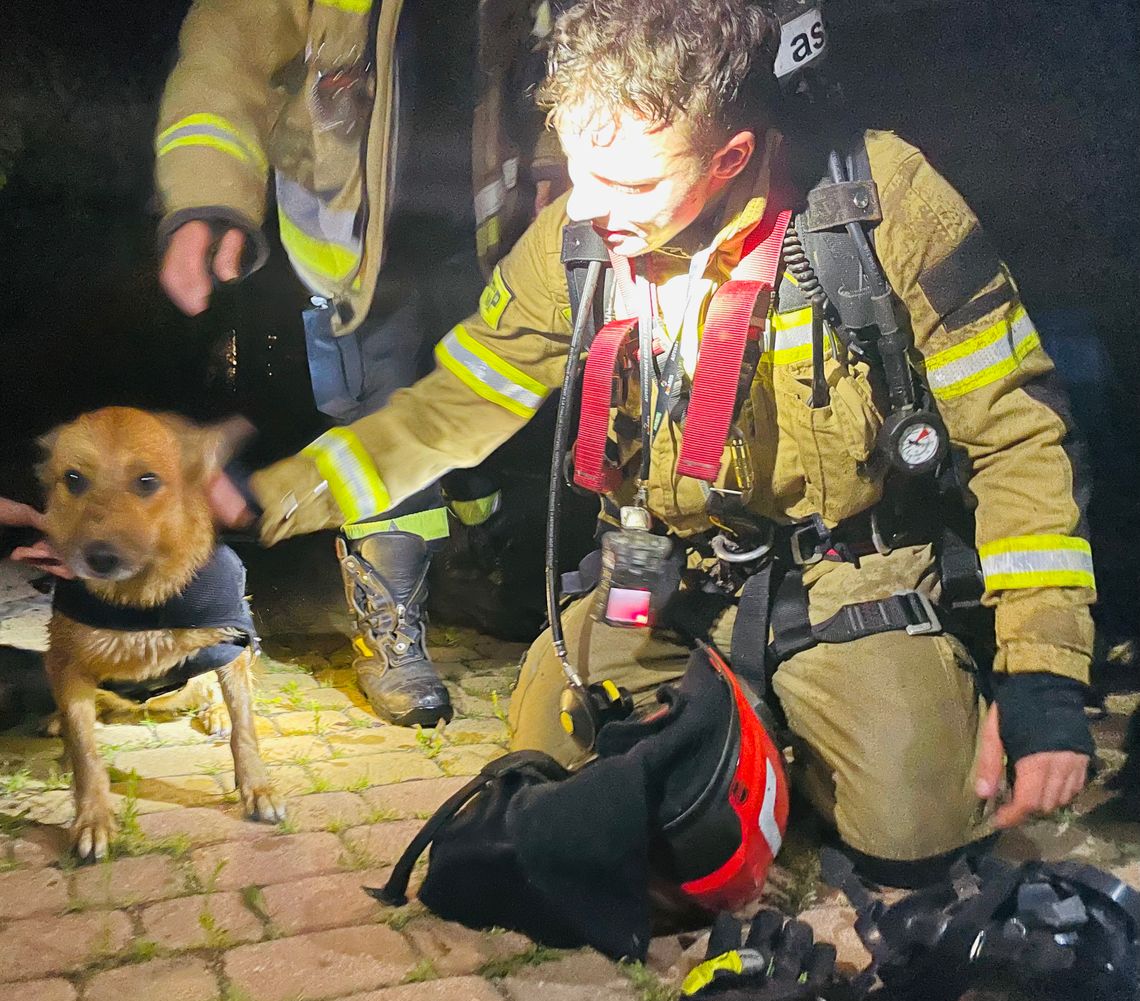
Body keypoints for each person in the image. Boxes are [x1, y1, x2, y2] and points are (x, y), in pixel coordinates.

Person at [220, 0, 1095, 882]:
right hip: (664, 578)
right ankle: (739, 739)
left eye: (633, 185)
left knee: (918, 837)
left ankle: (813, 733)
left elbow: (1019, 435)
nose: (592, 211)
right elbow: (455, 406)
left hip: (849, 578)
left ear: (731, 157)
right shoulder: (584, 229)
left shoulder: (881, 204)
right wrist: (274, 494)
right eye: (578, 171)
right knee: (549, 794)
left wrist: (1042, 678)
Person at [154, 0, 567, 726]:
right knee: (383, 411)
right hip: (359, 242)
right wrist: (207, 191)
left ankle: (482, 572)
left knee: (482, 419)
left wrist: (557, 164)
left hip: (489, 219)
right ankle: (393, 637)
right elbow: (229, 49)